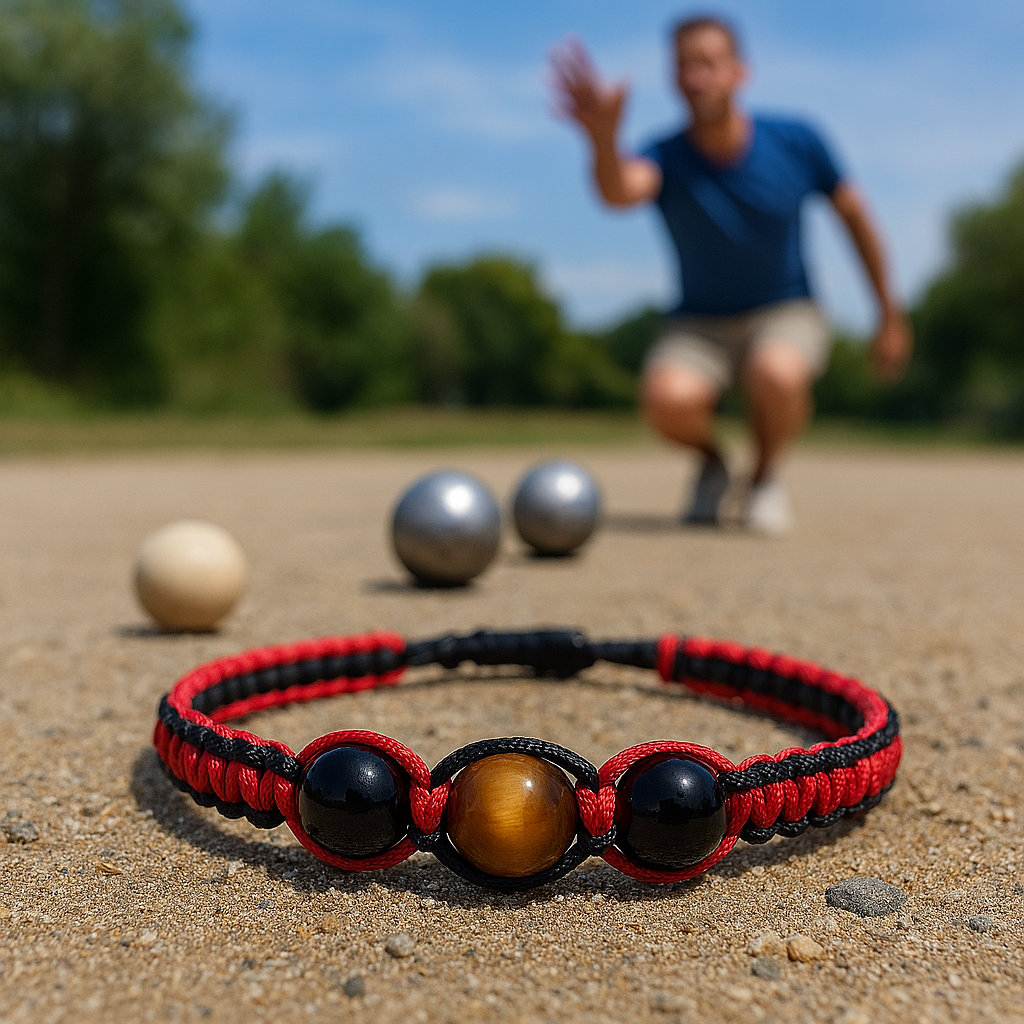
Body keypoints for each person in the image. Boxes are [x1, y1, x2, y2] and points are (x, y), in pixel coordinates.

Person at [550, 16, 912, 534]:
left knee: (778, 373)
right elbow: (618, 193)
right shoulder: (666, 155)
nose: (695, 77)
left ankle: (763, 477)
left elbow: (856, 217)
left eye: (708, 63)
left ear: (740, 72)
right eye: (683, 65)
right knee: (665, 401)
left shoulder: (798, 140)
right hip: (699, 321)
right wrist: (603, 140)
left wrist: (888, 313)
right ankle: (714, 465)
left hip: (786, 308)